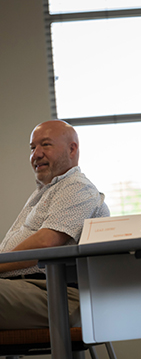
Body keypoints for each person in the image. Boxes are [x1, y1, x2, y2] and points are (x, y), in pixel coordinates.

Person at [0, 120, 109, 329]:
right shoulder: (45, 192)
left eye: (46, 145)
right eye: (33, 148)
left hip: (59, 295)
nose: (36, 154)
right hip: (24, 287)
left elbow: (46, 242)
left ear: (72, 149)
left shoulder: (77, 187)